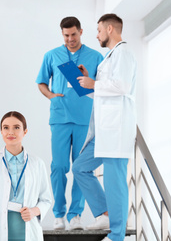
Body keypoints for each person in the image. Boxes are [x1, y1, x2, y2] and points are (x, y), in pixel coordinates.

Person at [73, 13, 137, 241]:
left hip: (116, 131)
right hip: (103, 131)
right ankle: (104, 212)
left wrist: (95, 84)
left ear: (110, 29)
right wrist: (87, 82)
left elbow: (123, 86)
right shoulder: (109, 58)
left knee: (115, 182)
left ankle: (117, 235)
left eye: (99, 30)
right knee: (80, 167)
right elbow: (103, 94)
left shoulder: (124, 53)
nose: (97, 35)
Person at [36, 17, 103, 230]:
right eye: (66, 35)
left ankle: (76, 215)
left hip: (85, 119)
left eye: (74, 34)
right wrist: (52, 96)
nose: (70, 39)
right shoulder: (52, 55)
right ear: (62, 34)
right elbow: (41, 82)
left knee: (81, 169)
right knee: (59, 167)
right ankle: (59, 214)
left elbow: (102, 85)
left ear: (81, 32)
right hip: (60, 118)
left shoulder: (95, 56)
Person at [0, 111, 52, 241]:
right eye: (6, 128)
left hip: (28, 229)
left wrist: (34, 211)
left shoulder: (37, 163)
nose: (10, 132)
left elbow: (46, 200)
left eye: (16, 127)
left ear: (25, 131)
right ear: (1, 131)